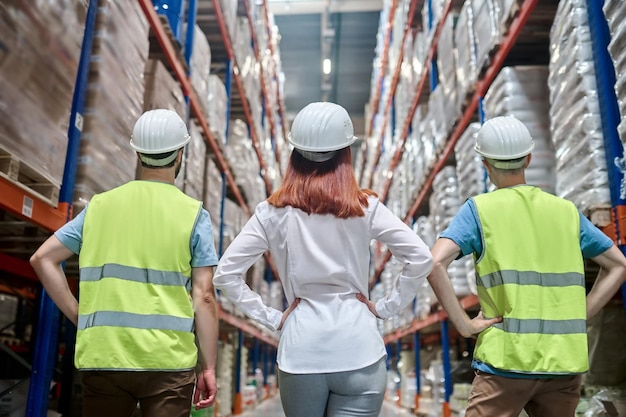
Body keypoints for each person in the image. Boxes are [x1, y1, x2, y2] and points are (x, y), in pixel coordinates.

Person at [212, 102, 433, 417]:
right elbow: (420, 257)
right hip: (359, 349)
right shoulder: (365, 207)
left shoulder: (271, 213)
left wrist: (272, 317)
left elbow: (225, 275)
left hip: (301, 353)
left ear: (294, 154)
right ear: (346, 154)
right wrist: (386, 308)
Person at [427, 115, 626, 417]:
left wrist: (465, 325)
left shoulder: (480, 211)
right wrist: (583, 311)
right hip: (563, 364)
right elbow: (618, 265)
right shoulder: (566, 212)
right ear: (529, 158)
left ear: (485, 163)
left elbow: (434, 263)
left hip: (506, 363)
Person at [30, 109, 219, 417]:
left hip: (105, 355)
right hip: (167, 362)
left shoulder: (99, 207)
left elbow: (42, 259)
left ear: (137, 152)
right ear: (180, 154)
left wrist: (80, 315)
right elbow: (205, 295)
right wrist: (208, 367)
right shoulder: (194, 215)